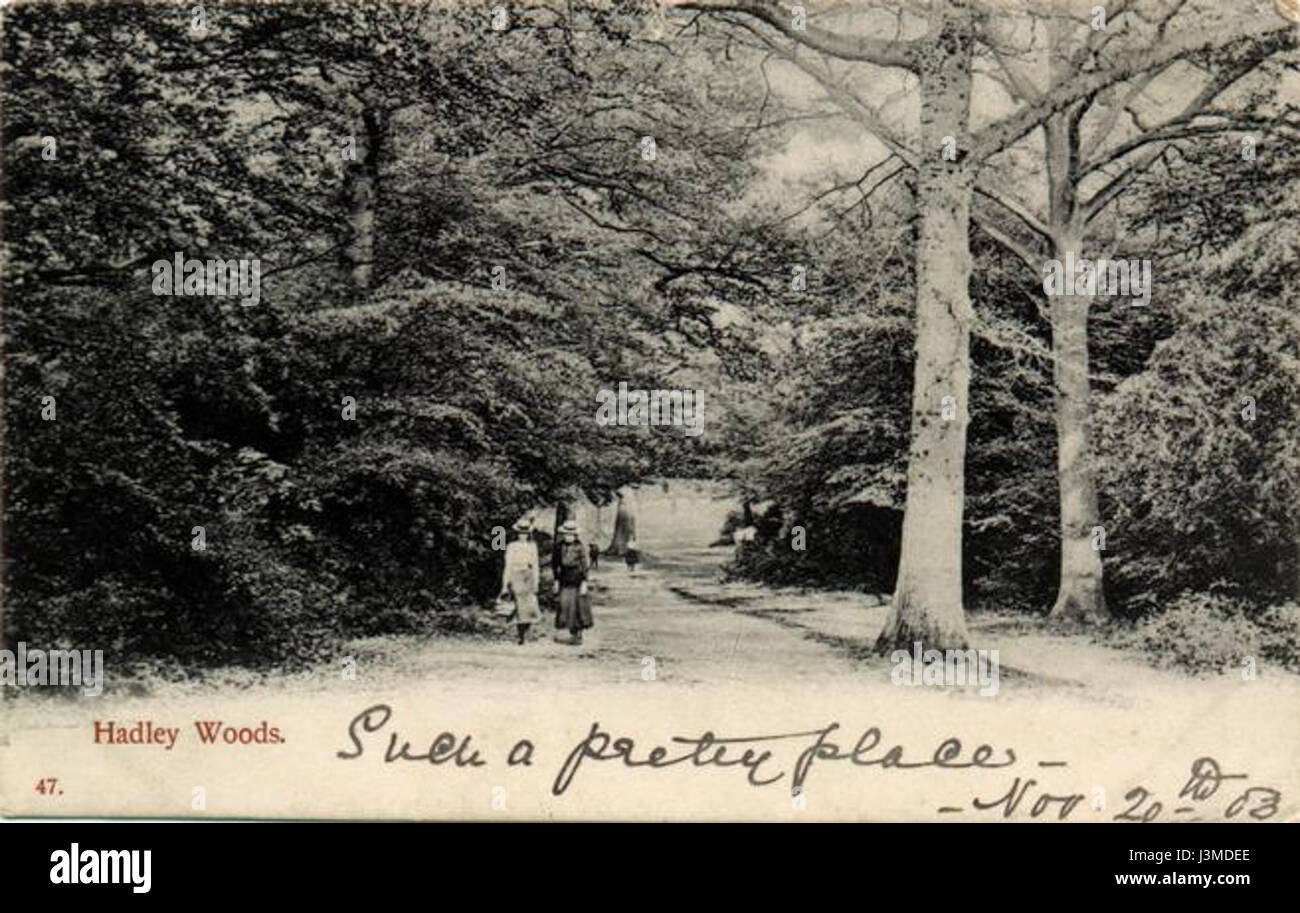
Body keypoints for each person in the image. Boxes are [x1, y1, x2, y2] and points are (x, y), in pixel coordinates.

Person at [499, 517, 540, 645]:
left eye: (525, 533)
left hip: (528, 576)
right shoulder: (512, 546)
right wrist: (505, 584)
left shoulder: (532, 546)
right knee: (519, 606)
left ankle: (527, 632)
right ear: (517, 533)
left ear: (529, 534)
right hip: (516, 576)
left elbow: (535, 565)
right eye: (521, 533)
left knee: (529, 605)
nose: (523, 536)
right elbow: (508, 565)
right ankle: (520, 635)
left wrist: (536, 581)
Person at [552, 519, 592, 645]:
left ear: (575, 535)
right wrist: (556, 580)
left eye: (571, 535)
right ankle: (570, 631)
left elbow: (585, 565)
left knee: (578, 608)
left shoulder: (580, 547)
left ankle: (577, 634)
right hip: (564, 579)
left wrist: (585, 582)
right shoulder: (558, 547)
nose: (568, 537)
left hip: (577, 579)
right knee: (565, 606)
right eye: (566, 534)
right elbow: (555, 564)